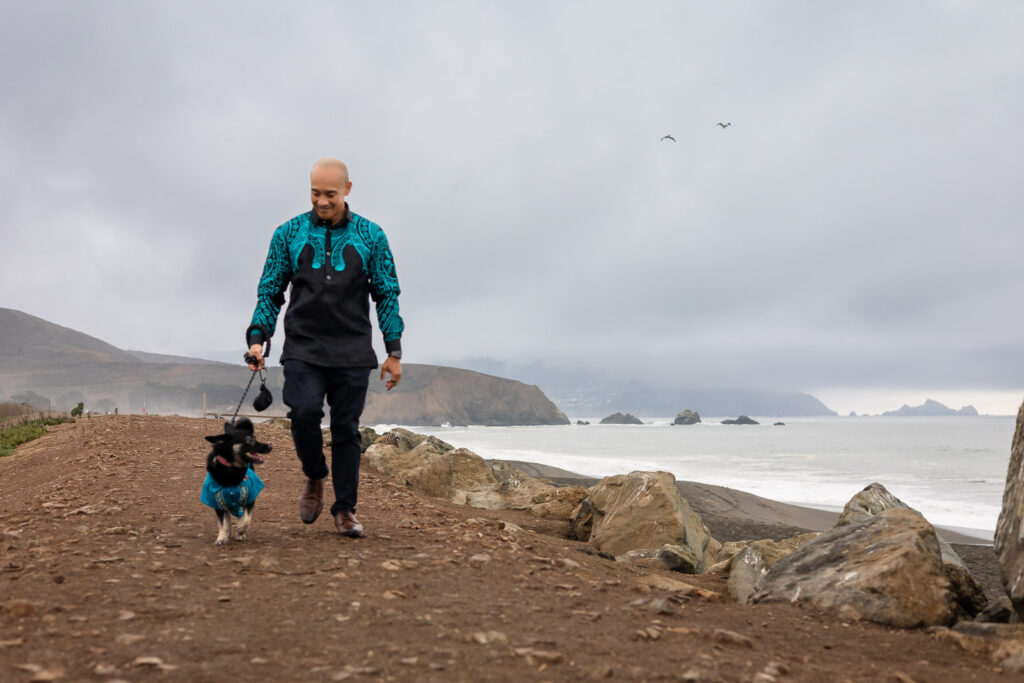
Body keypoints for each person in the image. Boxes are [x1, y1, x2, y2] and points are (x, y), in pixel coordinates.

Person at [245, 158, 403, 538]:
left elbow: (387, 293)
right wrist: (257, 339)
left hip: (351, 349)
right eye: (315, 193)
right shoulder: (288, 234)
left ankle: (345, 510)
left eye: (330, 194)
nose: (322, 201)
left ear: (347, 189)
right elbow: (270, 289)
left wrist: (394, 351)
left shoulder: (371, 236)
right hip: (303, 345)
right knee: (303, 413)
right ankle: (315, 475)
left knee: (347, 429)